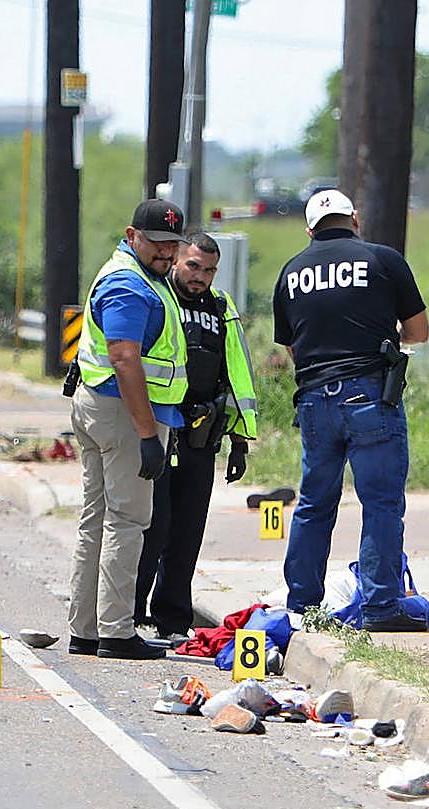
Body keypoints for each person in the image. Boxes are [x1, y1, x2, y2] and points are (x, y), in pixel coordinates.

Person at [271, 189, 429, 632]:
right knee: (380, 502)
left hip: (315, 398)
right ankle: (381, 605)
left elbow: (290, 345)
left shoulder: (290, 273)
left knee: (313, 504)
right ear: (354, 219)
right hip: (369, 394)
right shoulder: (382, 260)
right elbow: (418, 331)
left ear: (309, 230)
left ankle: (301, 606)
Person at [67, 199, 190, 661]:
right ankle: (116, 632)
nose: (165, 253)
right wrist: (145, 435)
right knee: (128, 519)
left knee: (97, 519)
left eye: (172, 245)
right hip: (123, 414)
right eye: (156, 243)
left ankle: (87, 629)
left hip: (103, 407)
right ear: (132, 234)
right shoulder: (129, 286)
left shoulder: (139, 275)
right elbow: (124, 357)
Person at [134, 232, 257, 640]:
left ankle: (172, 619)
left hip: (203, 434)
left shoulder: (221, 308)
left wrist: (240, 440)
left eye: (208, 270)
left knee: (188, 529)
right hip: (158, 425)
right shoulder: (157, 297)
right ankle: (130, 612)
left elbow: (237, 374)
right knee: (153, 524)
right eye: (193, 266)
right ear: (177, 260)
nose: (199, 276)